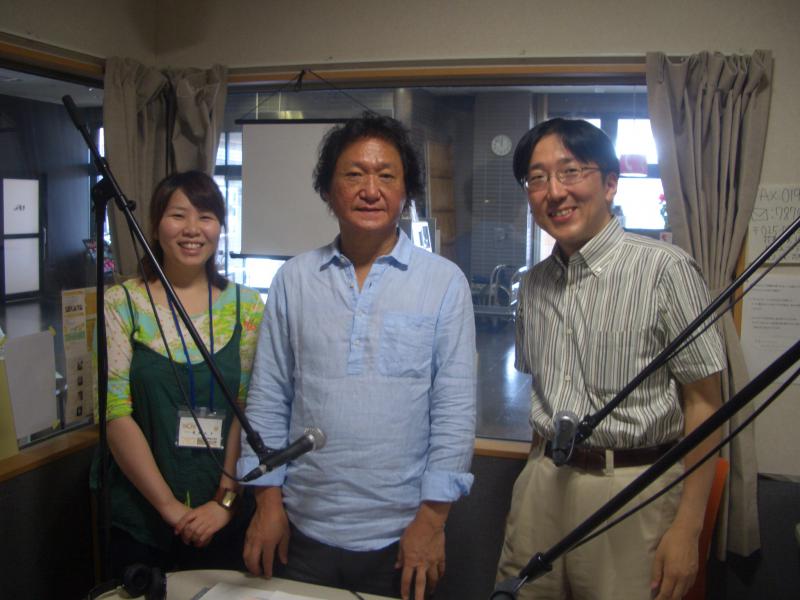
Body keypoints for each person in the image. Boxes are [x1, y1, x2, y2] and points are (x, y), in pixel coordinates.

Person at [237, 113, 476, 600]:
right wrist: (267, 504)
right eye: (354, 174)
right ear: (328, 190)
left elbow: (454, 411)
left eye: (386, 175)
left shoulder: (444, 282)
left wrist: (431, 522)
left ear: (406, 191)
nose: (371, 190)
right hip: (299, 526)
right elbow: (268, 398)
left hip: (402, 534)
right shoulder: (294, 280)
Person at [496, 118, 726, 600]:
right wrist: (533, 474)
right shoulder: (533, 283)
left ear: (610, 183)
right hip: (543, 485)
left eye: (571, 171)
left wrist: (688, 528)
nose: (554, 192)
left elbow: (705, 403)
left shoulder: (666, 269)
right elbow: (542, 392)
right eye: (537, 178)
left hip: (633, 487)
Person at [96, 171, 264, 576]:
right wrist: (170, 508)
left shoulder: (245, 306)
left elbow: (246, 411)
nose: (192, 229)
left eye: (206, 216)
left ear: (220, 227)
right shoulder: (123, 302)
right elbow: (116, 414)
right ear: (156, 225)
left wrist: (224, 504)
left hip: (224, 518)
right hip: (141, 516)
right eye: (178, 215)